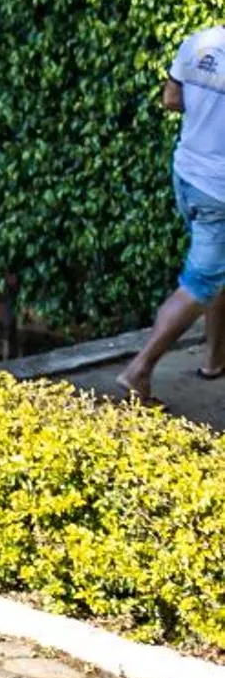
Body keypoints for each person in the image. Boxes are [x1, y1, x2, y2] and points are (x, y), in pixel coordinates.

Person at [116, 25, 225, 403]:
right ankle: (139, 368)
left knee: (216, 269)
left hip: (187, 176)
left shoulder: (198, 42)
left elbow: (171, 98)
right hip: (218, 190)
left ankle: (214, 359)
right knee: (200, 283)